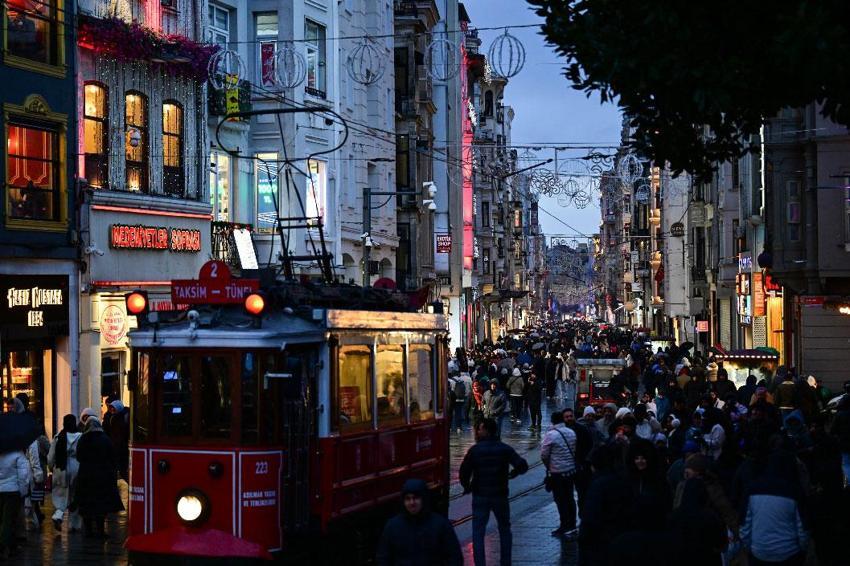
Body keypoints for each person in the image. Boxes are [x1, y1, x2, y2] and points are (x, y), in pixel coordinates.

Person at [459, 418, 528, 566]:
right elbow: (522, 465)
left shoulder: (475, 450)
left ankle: (480, 563)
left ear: (487, 430)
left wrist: (467, 486)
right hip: (500, 495)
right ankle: (505, 562)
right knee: (504, 529)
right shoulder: (504, 449)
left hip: (480, 495)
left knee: (478, 532)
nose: (478, 431)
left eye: (480, 429)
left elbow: (464, 472)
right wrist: (514, 473)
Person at [740, 450, 809, 565]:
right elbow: (802, 528)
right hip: (789, 553)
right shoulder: (794, 491)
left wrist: (749, 547)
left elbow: (745, 524)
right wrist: (803, 549)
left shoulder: (752, 489)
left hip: (760, 551)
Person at [376, 478, 462, 566]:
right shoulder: (392, 526)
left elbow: (454, 557)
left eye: (415, 498)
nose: (412, 503)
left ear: (423, 499)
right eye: (408, 499)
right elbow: (383, 558)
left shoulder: (441, 525)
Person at [73, 417, 124, 538]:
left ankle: (88, 530)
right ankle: (101, 531)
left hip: (86, 475)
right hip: (103, 475)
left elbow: (79, 456)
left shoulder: (83, 439)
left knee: (87, 504)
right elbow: (112, 457)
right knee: (101, 505)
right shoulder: (105, 439)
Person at [541, 412, 578, 538]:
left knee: (560, 500)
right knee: (570, 498)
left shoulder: (551, 435)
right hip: (571, 470)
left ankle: (565, 525)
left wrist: (549, 466)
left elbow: (544, 455)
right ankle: (572, 524)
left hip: (558, 472)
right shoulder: (571, 432)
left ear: (552, 421)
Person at [47, 414, 82, 532]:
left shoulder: (58, 437)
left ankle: (58, 515)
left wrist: (51, 467)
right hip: (76, 468)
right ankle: (75, 524)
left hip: (60, 469)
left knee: (60, 496)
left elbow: (51, 456)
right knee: (75, 496)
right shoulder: (80, 437)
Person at [0, 449, 29, 559]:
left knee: (2, 519)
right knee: (10, 519)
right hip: (12, 490)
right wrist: (23, 492)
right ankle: (4, 546)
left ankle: (10, 545)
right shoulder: (18, 453)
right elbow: (23, 475)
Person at [106, 400, 130, 482]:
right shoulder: (113, 417)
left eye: (114, 408)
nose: (112, 410)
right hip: (117, 446)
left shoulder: (125, 416)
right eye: (111, 408)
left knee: (122, 468)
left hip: (123, 447)